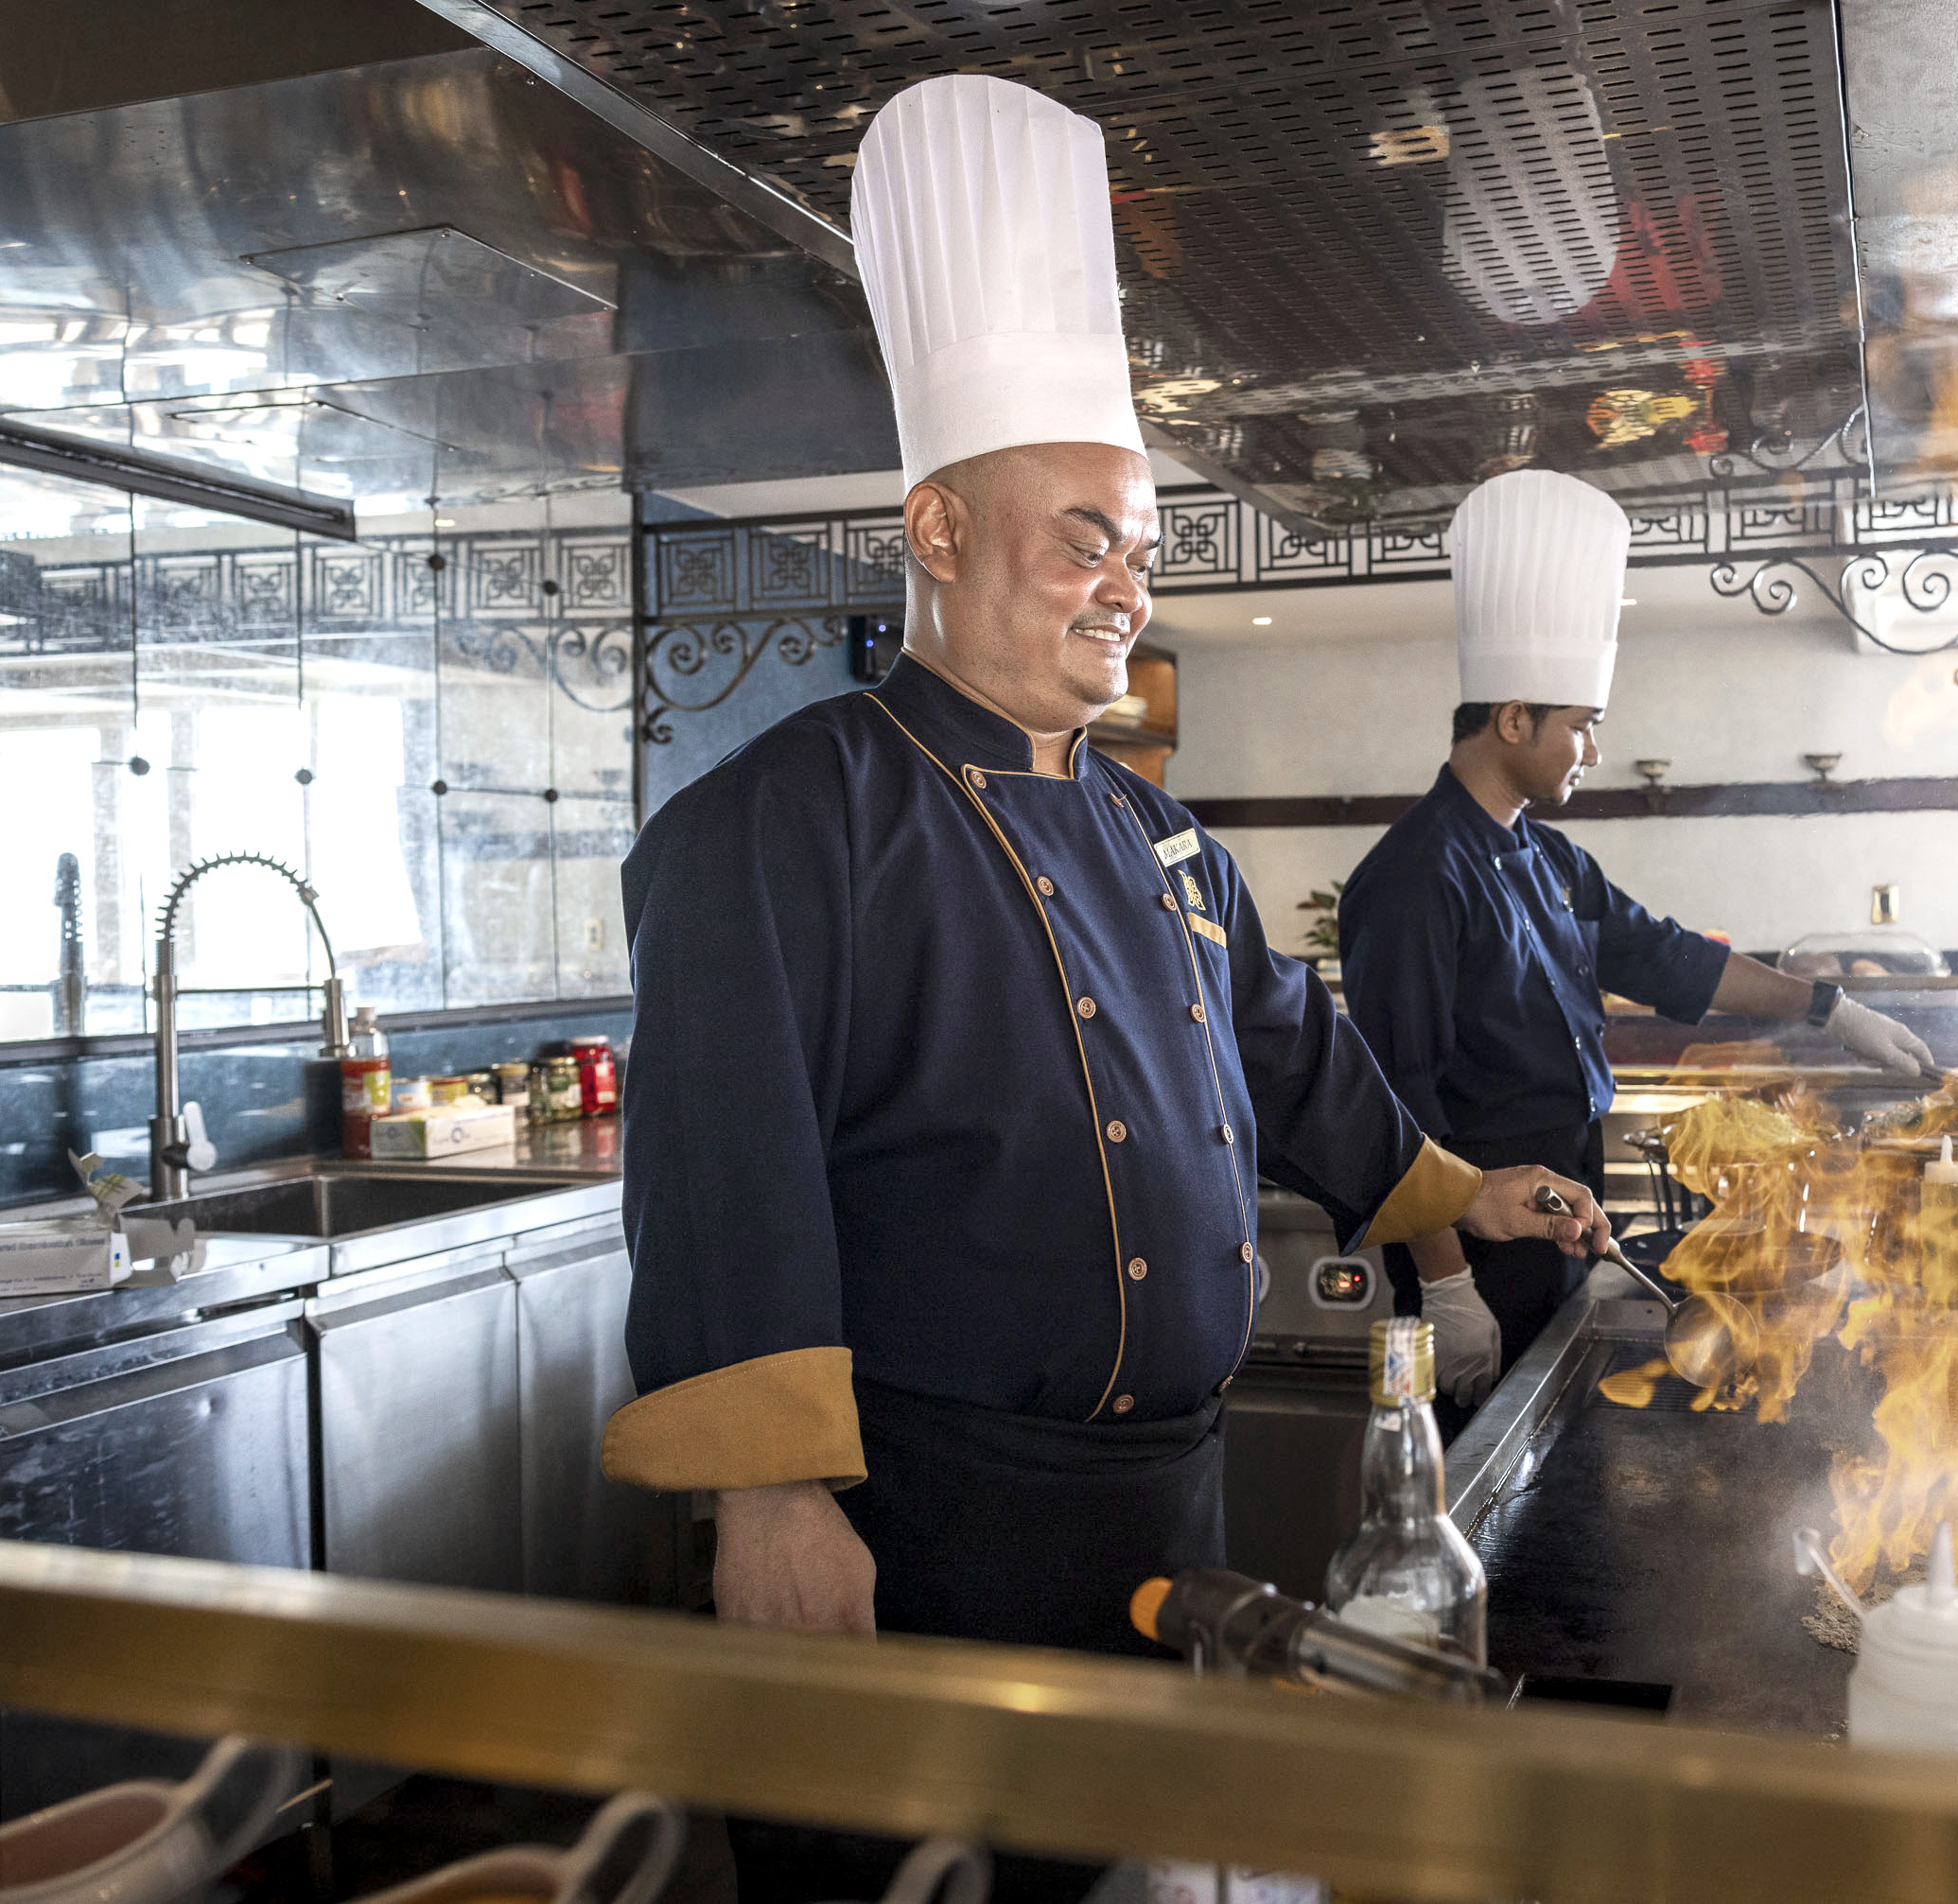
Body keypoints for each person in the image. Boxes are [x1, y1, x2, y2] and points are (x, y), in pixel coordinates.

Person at [600, 76, 1606, 1902]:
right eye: (1084, 536)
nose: (1125, 587)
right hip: (919, 1514)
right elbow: (714, 1164)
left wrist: (1470, 1195)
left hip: (1165, 1505)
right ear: (937, 531)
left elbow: (1303, 1061)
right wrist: (768, 1494)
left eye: (1140, 551)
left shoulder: (1163, 839)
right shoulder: (778, 821)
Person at [1337, 469, 1938, 1404]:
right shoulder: (1412, 879)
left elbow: (1668, 956)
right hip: (1475, 1239)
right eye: (1582, 728)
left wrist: (1829, 1007)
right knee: (1482, 1485)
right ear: (1512, 719)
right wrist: (1449, 1286)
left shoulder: (1551, 858)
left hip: (1561, 1210)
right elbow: (1399, 1107)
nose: (1593, 752)